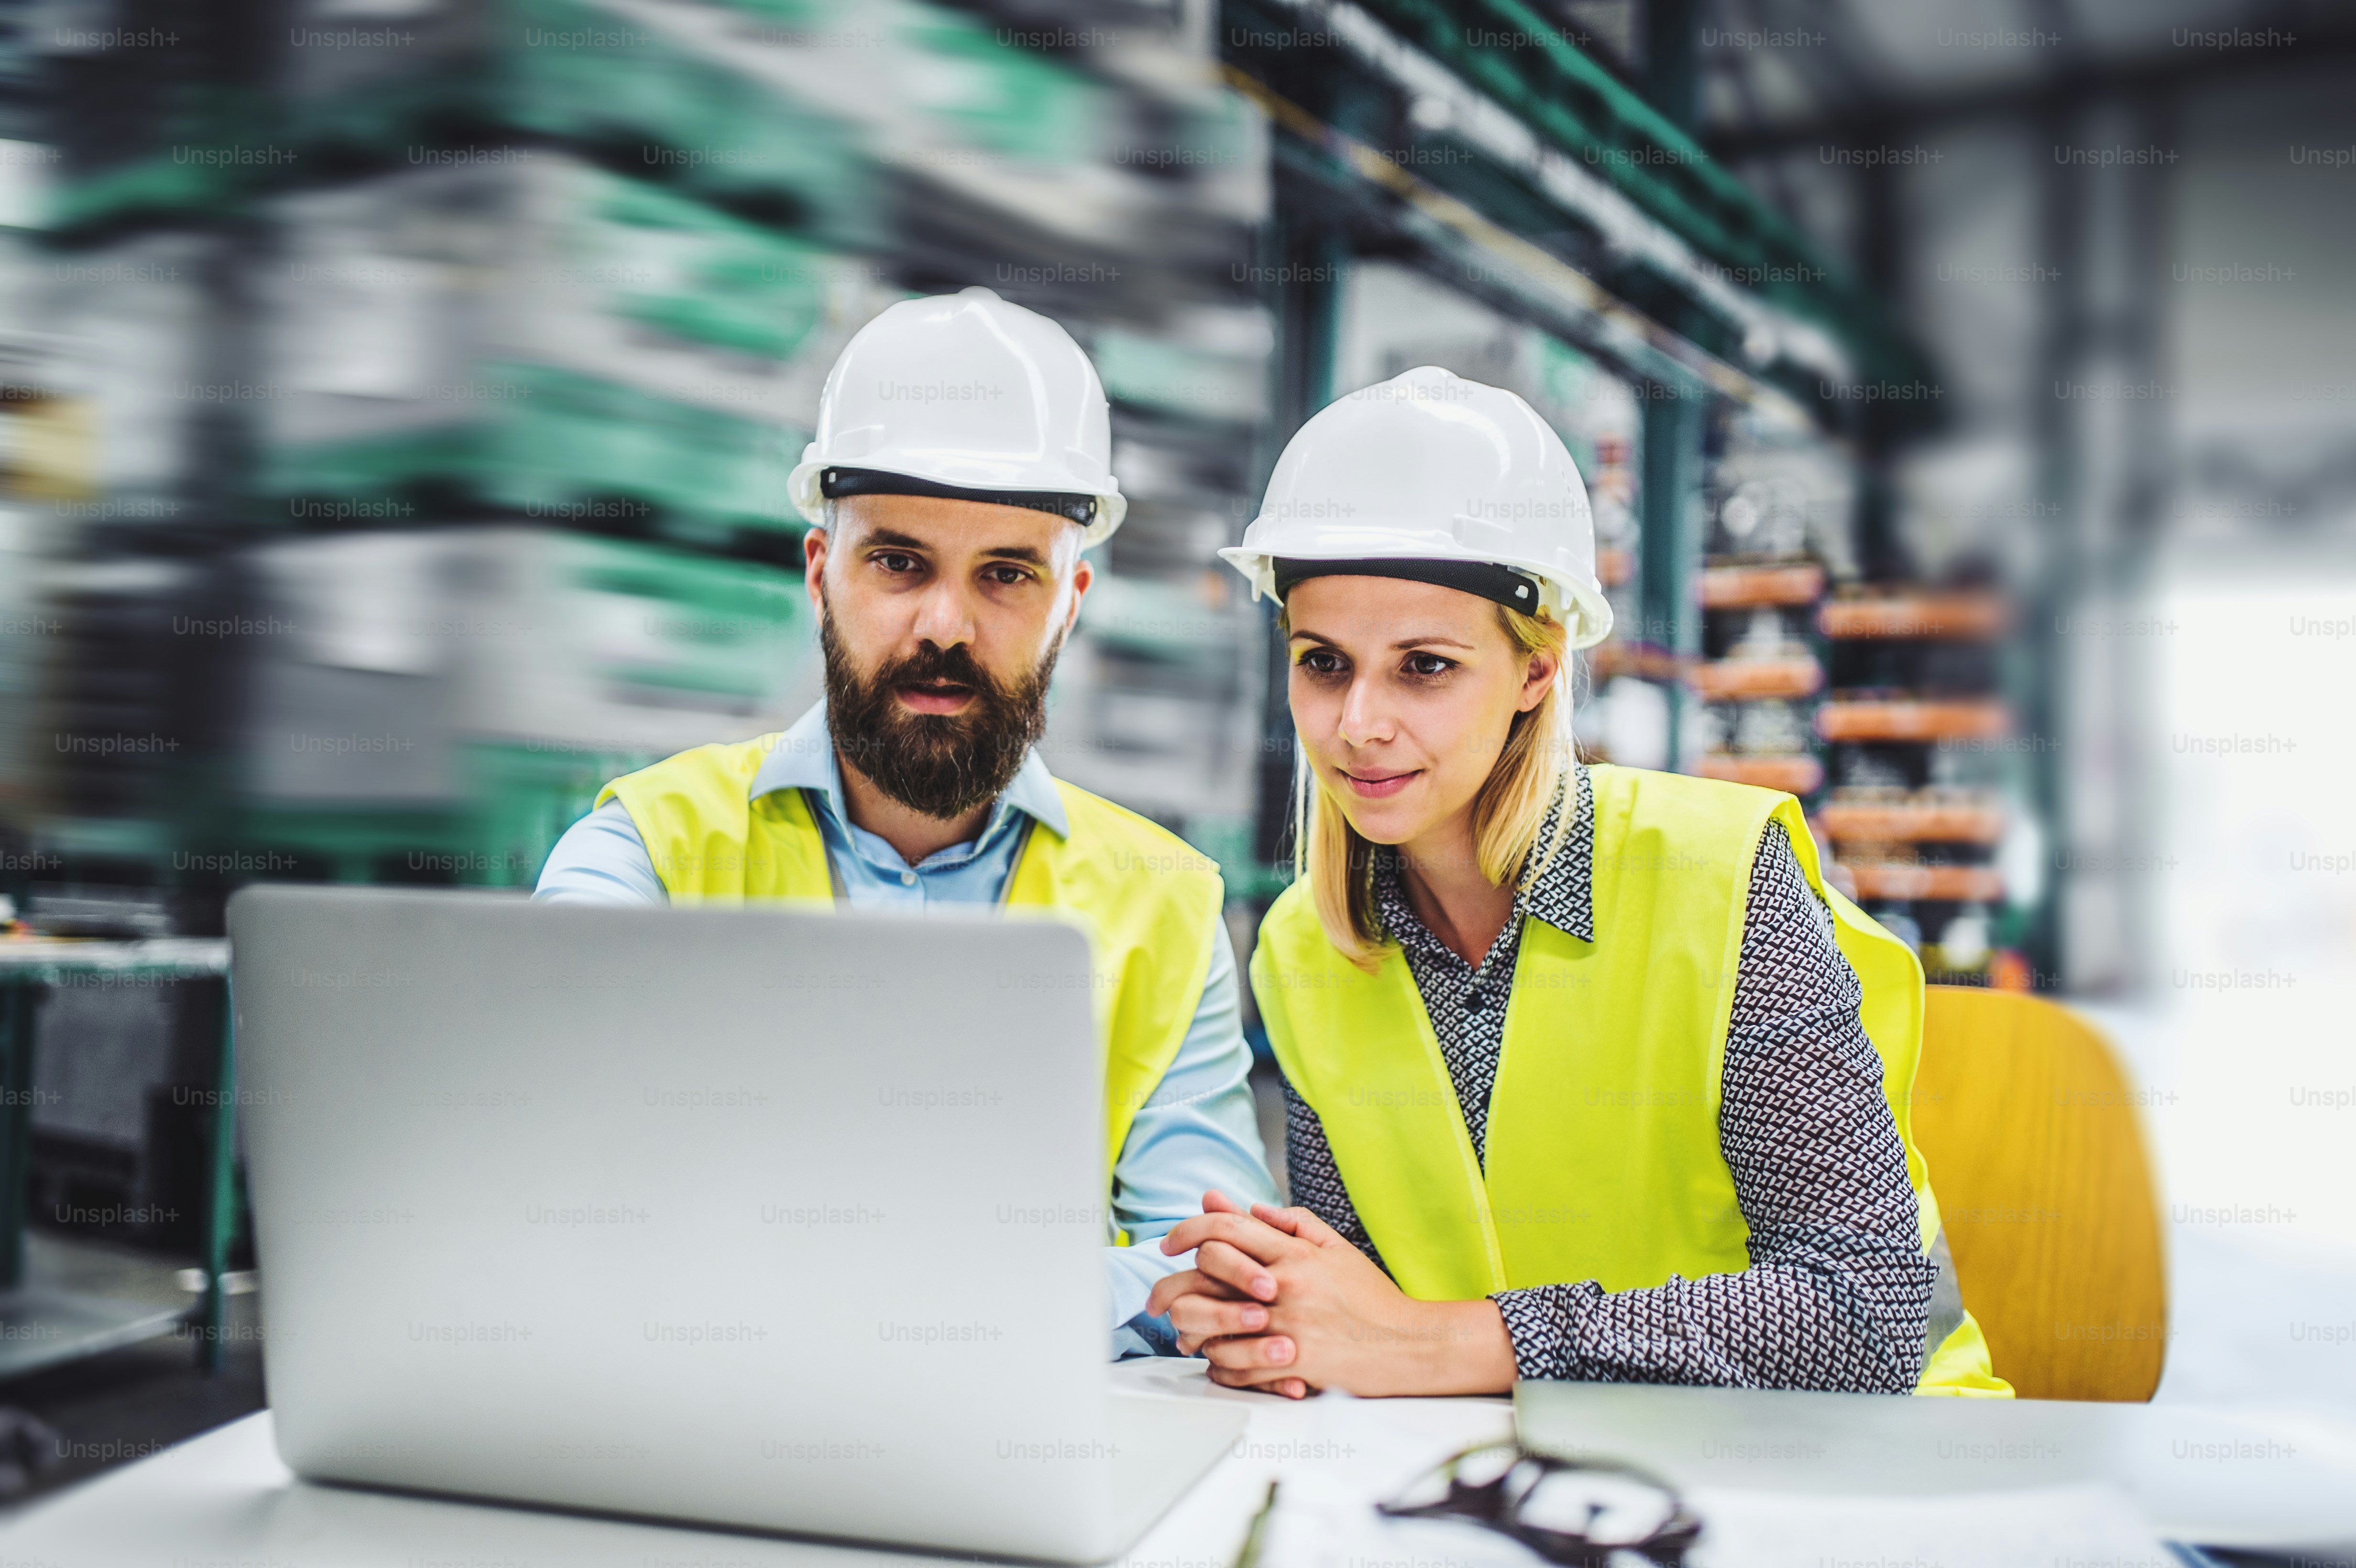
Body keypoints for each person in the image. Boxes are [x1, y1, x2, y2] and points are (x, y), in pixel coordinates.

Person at [1146, 366, 2010, 1399]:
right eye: (1323, 662)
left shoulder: (1720, 878)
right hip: (1504, 1466)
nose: (1356, 722)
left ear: (1537, 669)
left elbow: (1860, 1313)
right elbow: (1362, 1306)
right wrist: (1268, 1312)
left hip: (1819, 1473)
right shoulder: (1304, 945)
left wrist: (1445, 1344)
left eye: (1423, 665)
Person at [534, 287, 1277, 1357]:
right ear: (818, 574)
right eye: (897, 561)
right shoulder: (641, 852)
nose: (944, 625)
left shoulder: (1166, 905)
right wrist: (1056, 1297)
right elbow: (564, 1199)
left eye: (1006, 575)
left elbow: (1205, 1265)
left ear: (1071, 599)